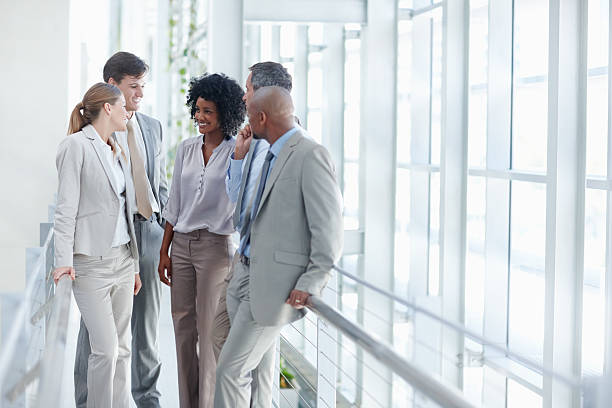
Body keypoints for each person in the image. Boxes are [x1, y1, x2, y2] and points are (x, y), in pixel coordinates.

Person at [214, 86, 344, 408]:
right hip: (244, 274)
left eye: (249, 115)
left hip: (274, 287)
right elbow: (247, 209)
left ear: (262, 117)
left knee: (230, 371)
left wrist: (311, 282)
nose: (246, 122)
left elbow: (329, 230)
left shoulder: (310, 154)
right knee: (244, 366)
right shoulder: (267, 151)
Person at [74, 51, 169, 408]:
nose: (140, 94)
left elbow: (159, 185)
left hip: (149, 233)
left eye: (143, 86)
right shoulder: (93, 134)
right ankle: (86, 401)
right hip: (111, 238)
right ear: (111, 85)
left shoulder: (153, 127)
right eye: (134, 86)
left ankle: (147, 400)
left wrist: (163, 229)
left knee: (145, 329)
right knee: (98, 333)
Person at [158, 73, 246, 408]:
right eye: (197, 110)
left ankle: (207, 403)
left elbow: (240, 200)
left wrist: (240, 155)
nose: (200, 117)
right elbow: (175, 203)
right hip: (181, 245)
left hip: (215, 248)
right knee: (183, 329)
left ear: (225, 112)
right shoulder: (186, 149)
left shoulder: (237, 151)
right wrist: (165, 250)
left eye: (208, 111)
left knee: (209, 334)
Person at [53, 82, 142, 408]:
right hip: (90, 264)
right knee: (104, 350)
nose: (127, 112)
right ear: (108, 107)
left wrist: (132, 264)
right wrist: (63, 261)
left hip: (121, 261)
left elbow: (125, 213)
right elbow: (66, 210)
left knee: (123, 348)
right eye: (122, 107)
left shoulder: (115, 147)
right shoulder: (75, 146)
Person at [212, 62, 294, 406]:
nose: (244, 97)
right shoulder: (256, 139)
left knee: (245, 365)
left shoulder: (294, 147)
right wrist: (238, 158)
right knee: (221, 335)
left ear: (263, 94)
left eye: (248, 90)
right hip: (242, 260)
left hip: (269, 270)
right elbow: (237, 198)